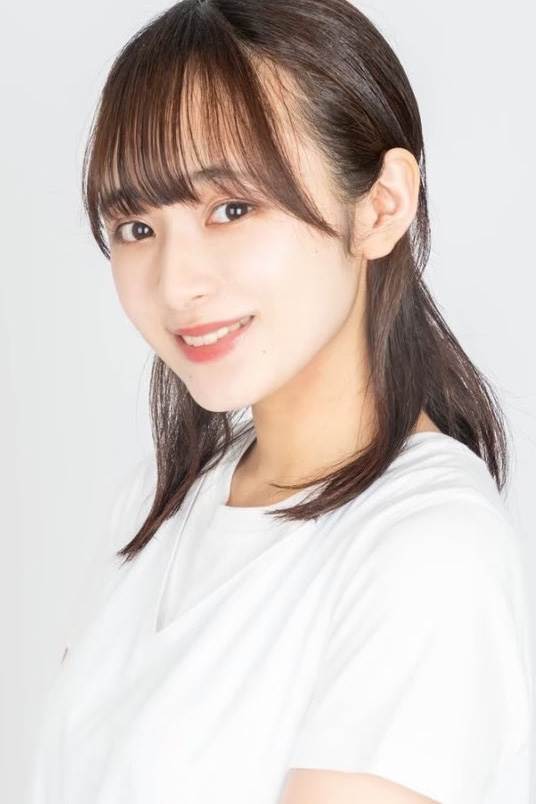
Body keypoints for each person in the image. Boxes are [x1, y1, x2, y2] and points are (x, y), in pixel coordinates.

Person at [28, 0, 533, 802]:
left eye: (231, 208)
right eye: (135, 227)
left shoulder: (426, 551)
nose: (176, 284)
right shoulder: (158, 506)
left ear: (380, 206)